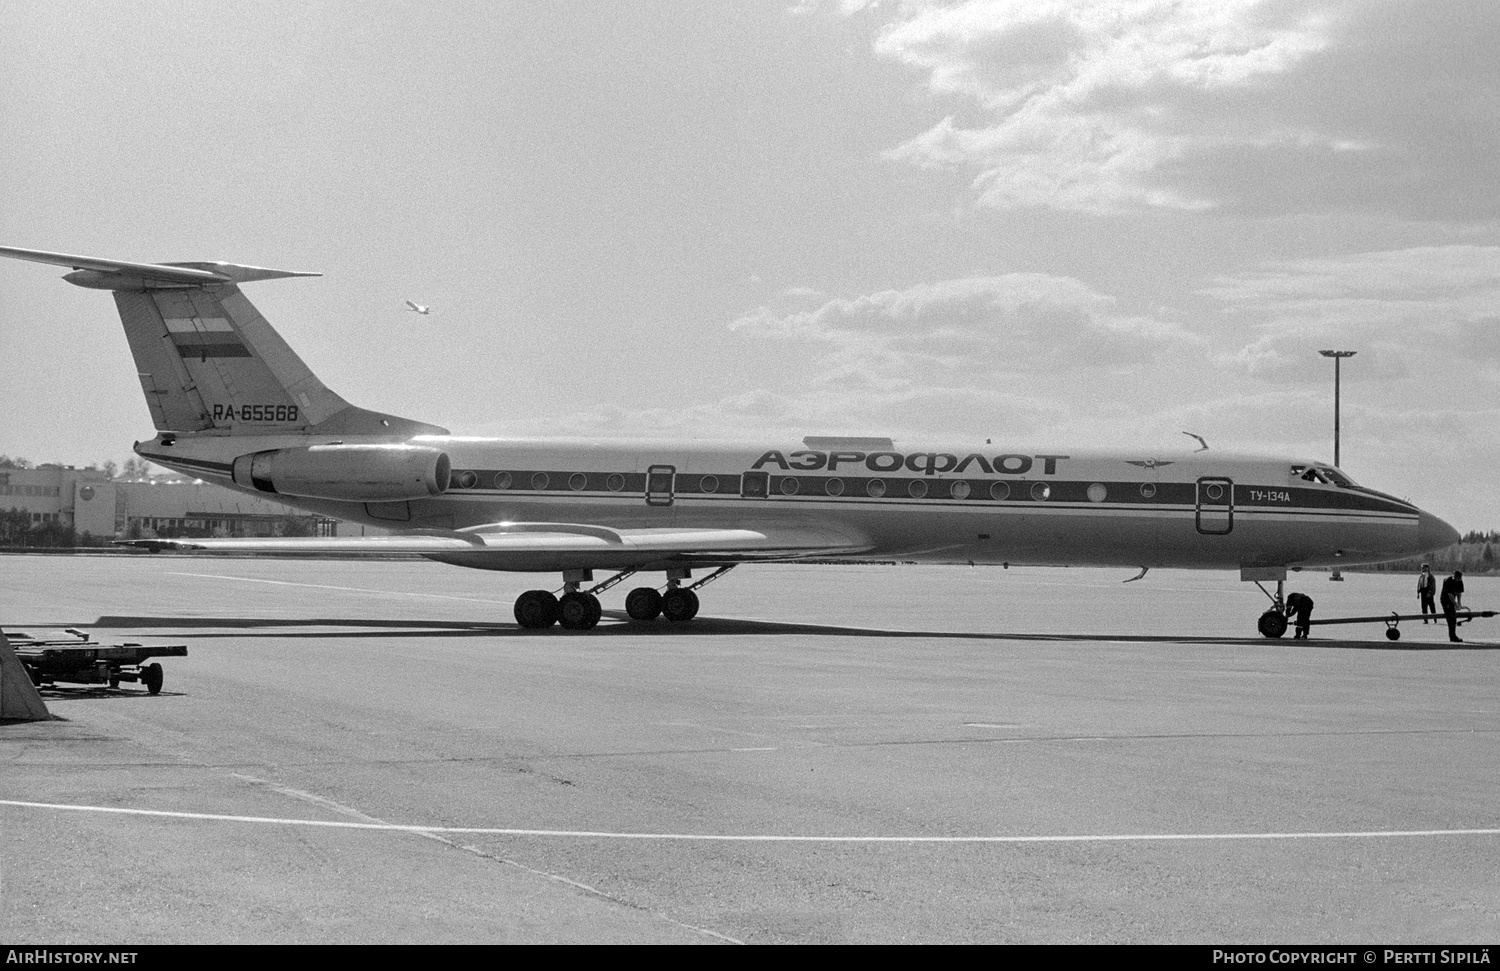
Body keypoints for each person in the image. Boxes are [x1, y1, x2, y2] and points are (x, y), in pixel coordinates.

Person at [1440, 569, 1466, 643]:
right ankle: (1452, 636)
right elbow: (1449, 594)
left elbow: (1459, 593)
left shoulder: (1460, 582)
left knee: (1454, 618)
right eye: (1455, 577)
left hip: (1451, 599)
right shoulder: (1448, 580)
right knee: (1450, 618)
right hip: (1445, 599)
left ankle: (1453, 636)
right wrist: (1455, 604)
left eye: (1458, 578)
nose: (1456, 579)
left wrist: (1459, 603)